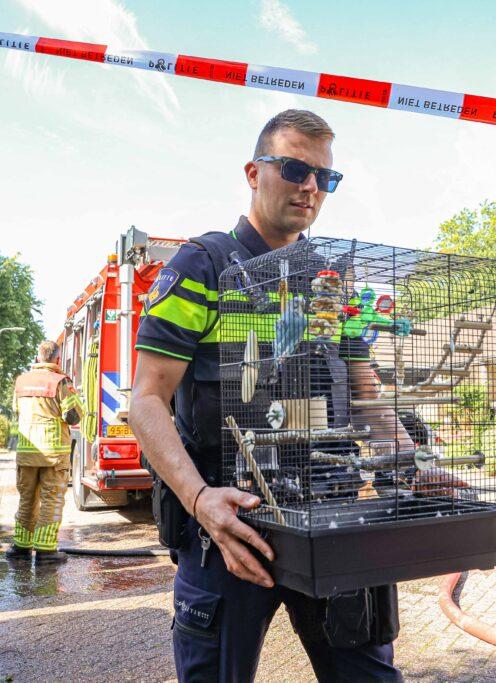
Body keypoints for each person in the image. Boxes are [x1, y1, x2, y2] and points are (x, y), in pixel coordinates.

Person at [128, 110, 407, 682]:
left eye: (325, 177)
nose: (310, 187)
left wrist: (415, 461)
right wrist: (200, 499)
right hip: (229, 525)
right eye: (295, 169)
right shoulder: (202, 267)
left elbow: (365, 393)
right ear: (254, 173)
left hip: (331, 518)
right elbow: (147, 400)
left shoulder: (332, 280)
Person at [6, 340, 83, 564]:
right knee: (51, 500)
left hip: (26, 453)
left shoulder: (21, 382)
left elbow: (16, 410)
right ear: (57, 359)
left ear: (38, 358)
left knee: (27, 499)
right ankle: (46, 550)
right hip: (53, 454)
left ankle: (21, 547)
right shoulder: (60, 381)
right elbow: (73, 416)